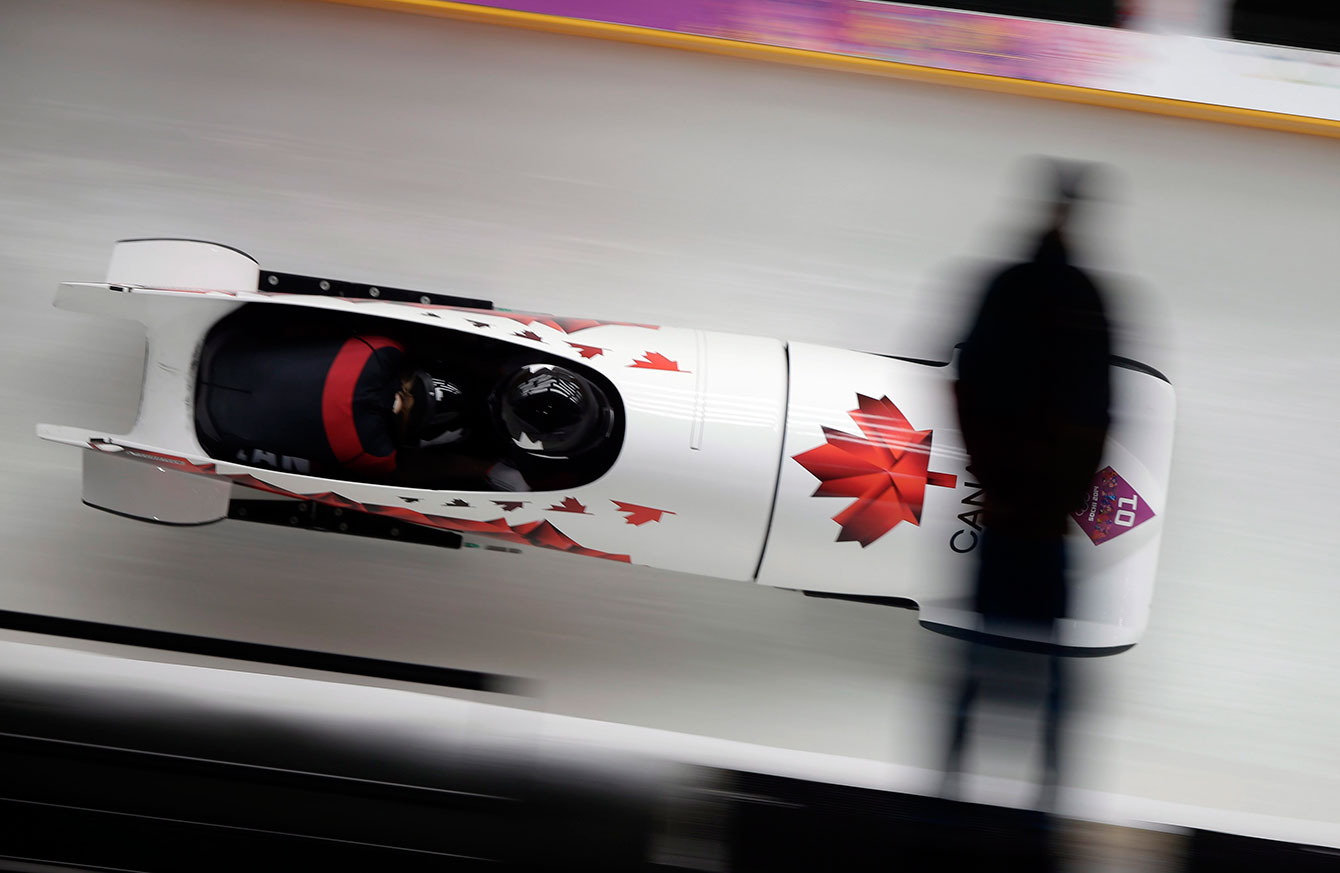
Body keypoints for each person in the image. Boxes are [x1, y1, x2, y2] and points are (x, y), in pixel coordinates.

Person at [941, 159, 1113, 808]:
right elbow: (1096, 408)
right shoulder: (1085, 298)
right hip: (1043, 522)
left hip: (1011, 511)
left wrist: (990, 472)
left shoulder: (1004, 285)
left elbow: (967, 380)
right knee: (1050, 675)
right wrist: (1064, 492)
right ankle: (1045, 800)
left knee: (978, 662)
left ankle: (952, 792)